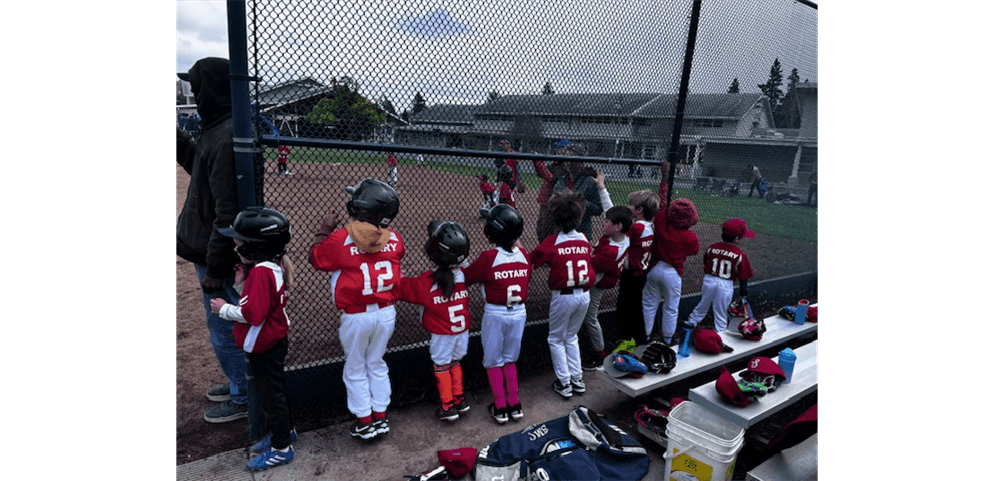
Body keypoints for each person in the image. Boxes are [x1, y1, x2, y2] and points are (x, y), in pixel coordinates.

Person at [176, 57, 250, 424]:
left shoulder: (228, 135)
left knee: (225, 328)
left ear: (212, 90)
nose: (193, 92)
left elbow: (229, 213)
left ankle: (243, 396)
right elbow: (197, 163)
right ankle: (240, 382)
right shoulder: (216, 128)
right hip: (207, 249)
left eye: (196, 86)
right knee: (223, 327)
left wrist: (216, 266)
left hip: (216, 255)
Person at [309, 178, 403, 440]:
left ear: (361, 208)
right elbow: (389, 253)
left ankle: (365, 420)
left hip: (357, 316)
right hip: (386, 314)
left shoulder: (341, 237)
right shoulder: (395, 238)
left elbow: (316, 258)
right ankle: (381, 417)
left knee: (355, 368)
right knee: (376, 362)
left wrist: (324, 230)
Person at [210, 207, 297, 471]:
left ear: (256, 247)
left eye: (239, 243)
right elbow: (258, 303)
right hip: (272, 341)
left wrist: (223, 308)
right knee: (275, 394)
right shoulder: (267, 267)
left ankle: (282, 448)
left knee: (272, 398)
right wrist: (239, 285)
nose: (236, 248)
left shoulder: (260, 272)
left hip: (266, 346)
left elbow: (253, 314)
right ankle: (285, 432)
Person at [397, 221, 472, 422]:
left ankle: (447, 406)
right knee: (455, 363)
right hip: (462, 332)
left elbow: (403, 288)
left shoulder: (427, 281)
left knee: (441, 366)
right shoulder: (464, 275)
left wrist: (398, 270)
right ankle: (460, 400)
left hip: (443, 334)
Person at [463, 205, 531, 424]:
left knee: (493, 361)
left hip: (495, 314)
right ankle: (515, 403)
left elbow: (466, 278)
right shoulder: (524, 256)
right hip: (519, 314)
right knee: (510, 359)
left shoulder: (489, 257)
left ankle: (500, 406)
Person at [530, 190, 593, 399]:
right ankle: (578, 379)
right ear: (579, 217)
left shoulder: (552, 241)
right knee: (571, 336)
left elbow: (532, 261)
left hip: (564, 296)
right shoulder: (584, 239)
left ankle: (564, 383)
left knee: (556, 339)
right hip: (584, 295)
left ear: (554, 217)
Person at [643, 160, 700, 345]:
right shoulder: (690, 237)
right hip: (672, 273)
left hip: (653, 269)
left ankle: (646, 337)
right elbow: (694, 250)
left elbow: (662, 201)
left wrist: (665, 178)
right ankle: (667, 339)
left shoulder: (660, 221)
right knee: (671, 307)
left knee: (649, 304)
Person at [581, 205, 632, 371]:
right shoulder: (624, 238)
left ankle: (600, 354)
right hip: (598, 280)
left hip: (596, 285)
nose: (603, 223)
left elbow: (589, 265)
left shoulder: (610, 251)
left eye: (607, 221)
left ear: (618, 227)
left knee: (591, 318)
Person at [686, 219, 755, 333]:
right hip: (725, 284)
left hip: (709, 280)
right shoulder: (739, 254)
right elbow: (743, 276)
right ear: (736, 239)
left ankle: (688, 329)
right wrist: (743, 293)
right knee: (721, 314)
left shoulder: (713, 247)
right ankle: (721, 338)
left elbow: (706, 261)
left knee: (701, 307)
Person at [614, 188, 659, 346]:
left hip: (632, 274)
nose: (628, 207)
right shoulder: (647, 226)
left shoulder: (638, 228)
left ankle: (631, 342)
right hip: (639, 273)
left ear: (639, 210)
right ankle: (636, 340)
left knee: (627, 310)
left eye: (631, 206)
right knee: (632, 308)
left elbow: (618, 233)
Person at [551, 143, 604, 240]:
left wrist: (579, 201)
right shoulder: (561, 180)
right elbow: (552, 203)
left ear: (581, 161)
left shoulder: (590, 181)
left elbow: (598, 209)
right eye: (567, 157)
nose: (569, 162)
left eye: (573, 158)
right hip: (561, 230)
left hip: (582, 230)